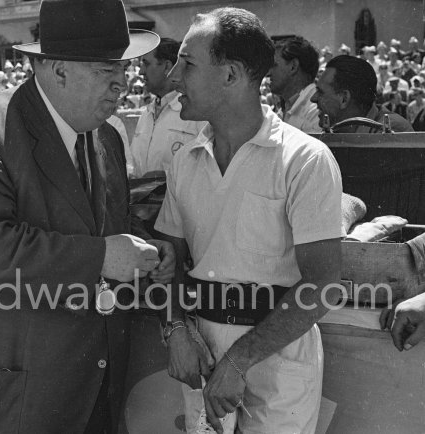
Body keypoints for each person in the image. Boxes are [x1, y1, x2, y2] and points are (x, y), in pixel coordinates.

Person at [0, 1, 174, 433]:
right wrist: (103, 257)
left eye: (125, 69)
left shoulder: (106, 135)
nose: (123, 83)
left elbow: (100, 226)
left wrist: (144, 249)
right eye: (108, 70)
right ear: (57, 68)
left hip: (88, 389)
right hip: (8, 395)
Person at [155, 7, 343, 434]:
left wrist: (239, 360)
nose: (173, 78)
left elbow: (323, 283)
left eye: (187, 64)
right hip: (203, 357)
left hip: (279, 365)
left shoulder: (304, 160)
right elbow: (165, 262)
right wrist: (174, 328)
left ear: (231, 75)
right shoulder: (184, 162)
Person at [130, 37, 206, 178]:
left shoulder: (196, 114)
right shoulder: (146, 115)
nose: (140, 72)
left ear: (167, 67)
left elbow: (206, 169)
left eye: (146, 64)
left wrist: (166, 177)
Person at [311, 55, 414, 132]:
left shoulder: (392, 129)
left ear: (344, 99)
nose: (313, 98)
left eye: (320, 92)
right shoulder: (334, 129)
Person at [268, 35, 321, 133]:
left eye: (274, 66)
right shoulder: (283, 108)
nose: (268, 73)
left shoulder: (316, 110)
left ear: (293, 66)